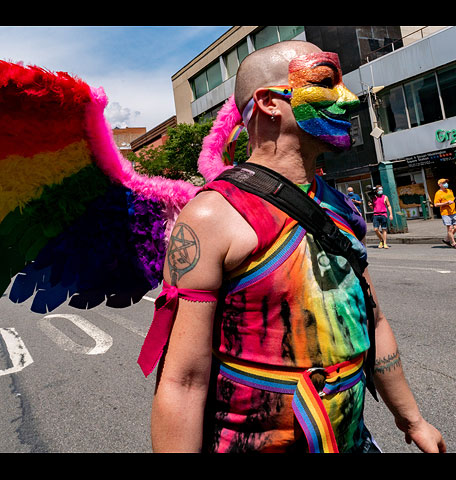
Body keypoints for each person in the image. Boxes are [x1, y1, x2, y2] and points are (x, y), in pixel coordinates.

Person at [148, 41, 445, 453]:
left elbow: (372, 323)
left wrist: (412, 420)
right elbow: (182, 381)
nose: (348, 98)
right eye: (325, 83)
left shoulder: (339, 205)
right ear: (270, 102)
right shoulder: (212, 217)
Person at [433, 178, 456, 248]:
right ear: (440, 185)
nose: (446, 184)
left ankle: (446, 239)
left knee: (455, 227)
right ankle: (453, 243)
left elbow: (452, 199)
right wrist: (446, 203)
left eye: (446, 182)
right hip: (445, 213)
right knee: (449, 228)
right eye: (444, 183)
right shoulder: (438, 193)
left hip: (453, 211)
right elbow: (436, 204)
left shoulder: (450, 191)